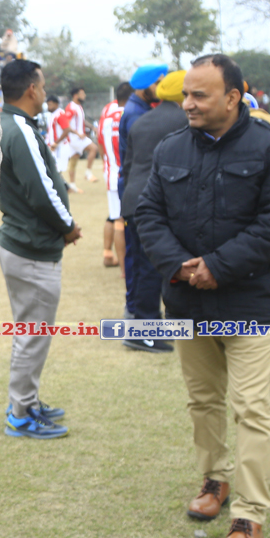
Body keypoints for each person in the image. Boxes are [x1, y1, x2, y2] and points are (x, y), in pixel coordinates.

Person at [135, 55, 270, 538]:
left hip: (251, 303)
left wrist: (217, 266)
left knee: (252, 407)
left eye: (199, 95)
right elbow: (148, 213)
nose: (187, 103)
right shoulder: (170, 147)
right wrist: (179, 266)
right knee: (202, 401)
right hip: (187, 301)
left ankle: (249, 516)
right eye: (186, 94)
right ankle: (215, 479)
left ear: (233, 97)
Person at [0, 58, 78, 440]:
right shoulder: (20, 129)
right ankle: (21, 413)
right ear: (31, 89)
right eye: (42, 86)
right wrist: (68, 226)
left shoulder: (9, 124)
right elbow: (42, 191)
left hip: (24, 244)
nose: (45, 92)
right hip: (31, 248)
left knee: (29, 332)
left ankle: (25, 402)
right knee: (32, 334)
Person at [117, 63, 170, 351]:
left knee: (139, 261)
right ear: (145, 85)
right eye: (158, 82)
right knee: (145, 263)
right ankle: (141, 325)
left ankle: (136, 316)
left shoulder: (138, 110)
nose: (161, 88)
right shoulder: (138, 115)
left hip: (132, 192)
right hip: (140, 194)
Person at [97, 83, 130, 268]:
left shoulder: (107, 115)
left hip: (110, 172)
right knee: (121, 221)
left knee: (114, 215)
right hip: (126, 175)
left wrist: (107, 163)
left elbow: (100, 141)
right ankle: (126, 269)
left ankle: (108, 254)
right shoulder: (131, 114)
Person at [52, 86, 96, 189]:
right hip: (74, 138)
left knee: (74, 160)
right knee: (94, 148)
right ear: (76, 95)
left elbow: (82, 121)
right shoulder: (71, 107)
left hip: (77, 138)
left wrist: (93, 127)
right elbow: (66, 123)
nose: (84, 96)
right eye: (82, 94)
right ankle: (88, 173)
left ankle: (72, 185)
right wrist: (78, 133)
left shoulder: (78, 106)